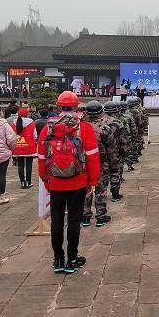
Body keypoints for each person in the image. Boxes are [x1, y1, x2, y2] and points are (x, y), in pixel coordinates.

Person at [37, 91, 100, 274]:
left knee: (56, 221)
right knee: (74, 221)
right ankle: (72, 259)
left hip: (55, 182)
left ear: (58, 106)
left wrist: (45, 178)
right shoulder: (84, 128)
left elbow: (41, 157)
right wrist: (92, 181)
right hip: (78, 181)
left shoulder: (47, 128)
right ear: (76, 106)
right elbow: (92, 157)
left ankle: (58, 259)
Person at [82, 101, 114, 227]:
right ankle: (101, 216)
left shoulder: (80, 127)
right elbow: (111, 149)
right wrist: (113, 165)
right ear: (101, 112)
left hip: (84, 163)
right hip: (101, 162)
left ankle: (85, 216)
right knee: (101, 189)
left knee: (86, 188)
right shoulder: (105, 128)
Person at [102, 101, 128, 201]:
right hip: (114, 151)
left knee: (102, 173)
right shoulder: (118, 122)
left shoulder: (100, 121)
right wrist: (124, 151)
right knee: (114, 171)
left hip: (101, 151)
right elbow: (123, 139)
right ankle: (115, 193)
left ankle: (102, 192)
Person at [10, 108, 37, 189]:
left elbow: (11, 136)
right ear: (26, 114)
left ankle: (22, 182)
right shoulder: (31, 122)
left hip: (18, 147)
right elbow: (35, 135)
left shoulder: (13, 123)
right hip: (29, 147)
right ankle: (28, 182)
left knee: (20, 166)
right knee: (29, 165)